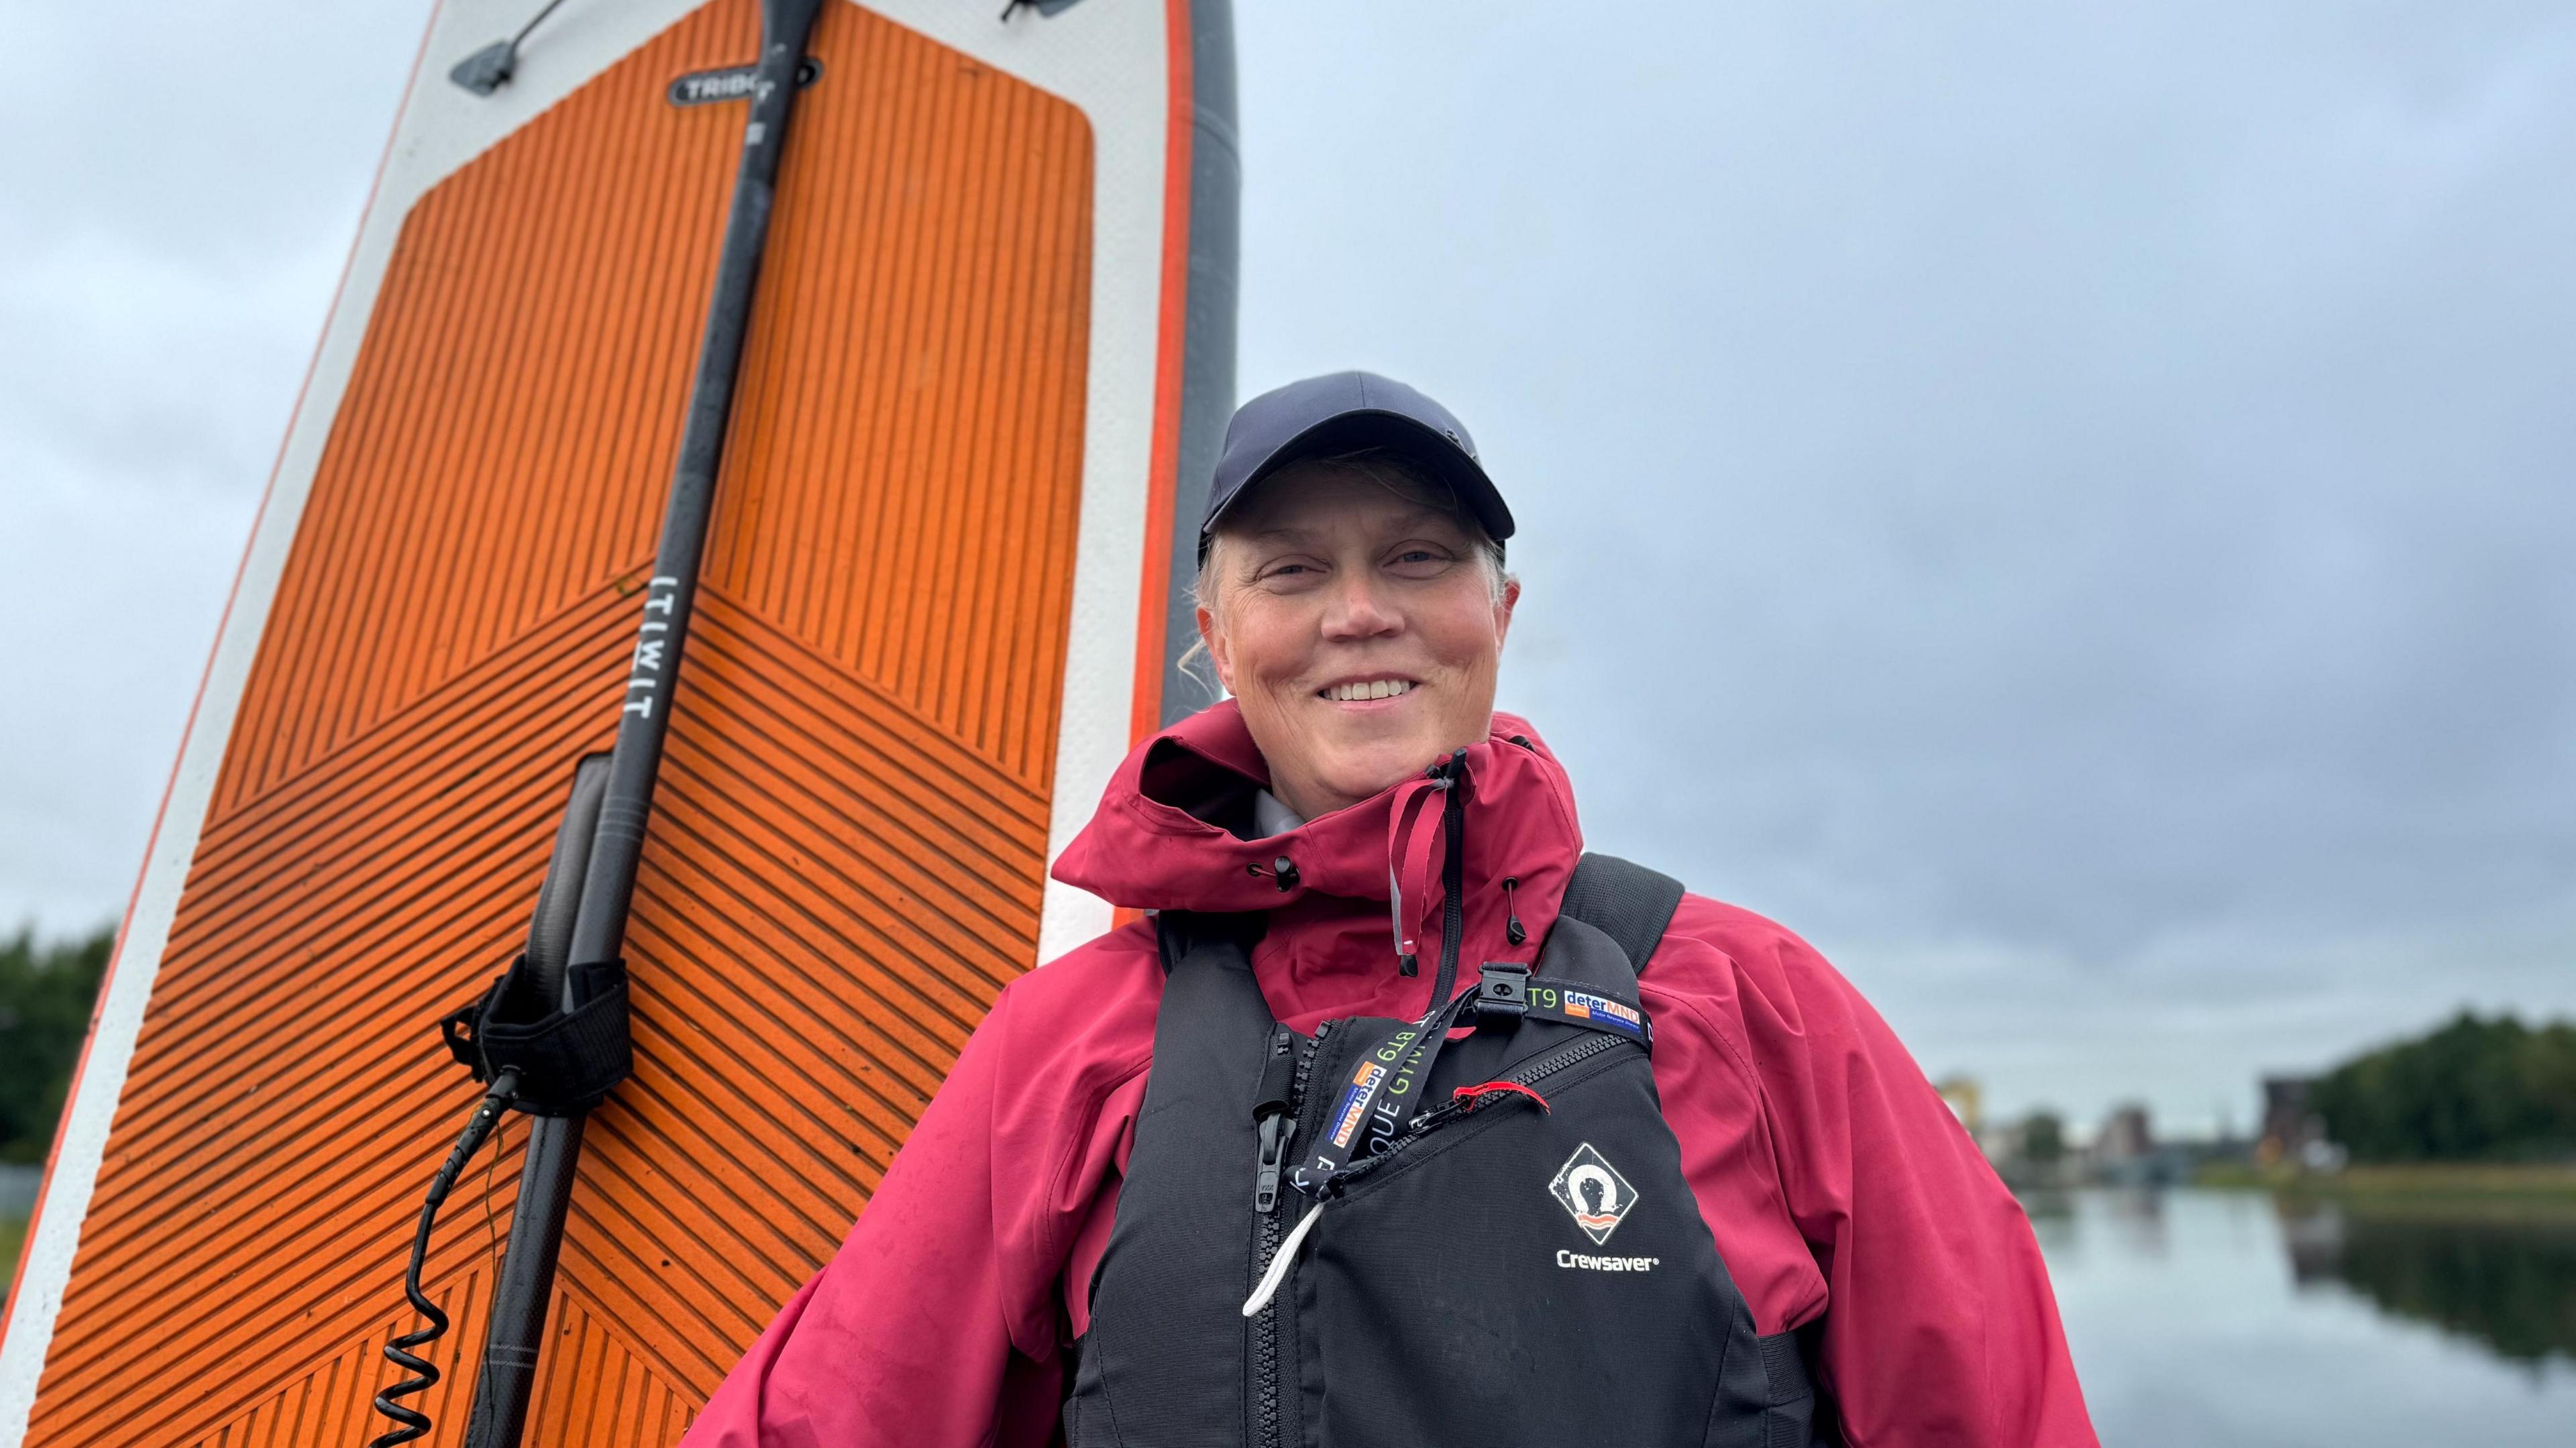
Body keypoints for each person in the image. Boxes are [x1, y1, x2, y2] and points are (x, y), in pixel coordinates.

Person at [680, 372, 2098, 1447]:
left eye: (1419, 558)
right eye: (1292, 570)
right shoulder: (1072, 1044)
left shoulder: (1742, 996)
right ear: (1215, 635)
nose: (1362, 611)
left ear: (1501, 607)